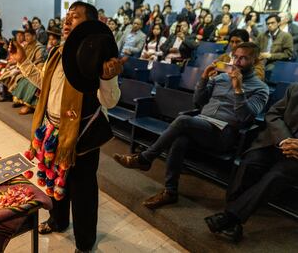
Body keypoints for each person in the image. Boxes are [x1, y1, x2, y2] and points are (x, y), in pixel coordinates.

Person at [9, 1, 123, 252]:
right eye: (67, 16)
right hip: (52, 132)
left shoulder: (96, 57)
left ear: (90, 25)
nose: (67, 20)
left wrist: (108, 78)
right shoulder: (57, 53)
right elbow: (43, 82)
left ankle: (84, 243)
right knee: (53, 181)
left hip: (82, 136)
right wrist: (23, 61)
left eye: (75, 16)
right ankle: (58, 221)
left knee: (83, 192)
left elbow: (110, 101)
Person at [114, 42, 269, 210]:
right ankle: (170, 192)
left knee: (183, 120)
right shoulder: (221, 78)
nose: (237, 62)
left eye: (244, 58)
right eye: (236, 57)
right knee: (180, 140)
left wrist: (238, 89)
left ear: (255, 60)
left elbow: (245, 117)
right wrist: (203, 79)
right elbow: (198, 102)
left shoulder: (261, 88)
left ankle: (145, 158)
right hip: (202, 125)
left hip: (224, 134)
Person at [205, 83, 298, 242]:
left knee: (276, 175)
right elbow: (273, 113)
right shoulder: (295, 88)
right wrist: (284, 139)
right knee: (250, 163)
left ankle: (230, 217)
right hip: (276, 141)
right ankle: (234, 217)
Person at [11, 28, 46, 115]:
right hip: (26, 67)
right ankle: (20, 100)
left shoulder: (39, 47)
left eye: (28, 35)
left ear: (34, 36)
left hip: (37, 68)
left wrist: (26, 67)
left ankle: (29, 105)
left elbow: (40, 61)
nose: (26, 38)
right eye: (25, 36)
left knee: (29, 81)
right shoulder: (26, 45)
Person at [0, 30, 25, 102]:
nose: (19, 37)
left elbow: (22, 58)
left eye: (21, 35)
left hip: (20, 65)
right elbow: (9, 55)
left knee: (9, 72)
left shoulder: (24, 45)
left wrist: (11, 63)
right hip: (12, 63)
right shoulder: (14, 45)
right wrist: (7, 62)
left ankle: (10, 95)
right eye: (17, 35)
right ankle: (5, 93)